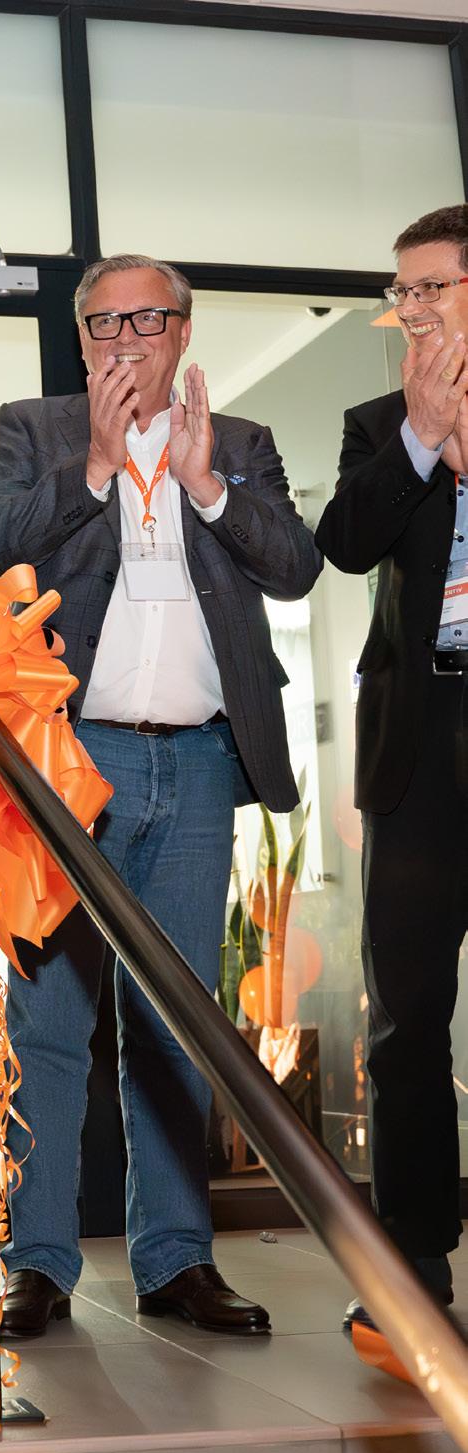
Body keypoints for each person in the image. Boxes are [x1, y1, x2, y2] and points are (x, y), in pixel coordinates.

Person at [0, 253, 322, 1338]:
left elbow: (296, 566)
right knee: (50, 1020)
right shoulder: (33, 427)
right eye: (105, 322)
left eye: (147, 319)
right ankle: (37, 1261)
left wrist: (207, 485)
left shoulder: (242, 441)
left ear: (182, 330)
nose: (125, 338)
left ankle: (174, 1260)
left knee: (180, 1023)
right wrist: (93, 464)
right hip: (72, 758)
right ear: (81, 338)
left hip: (202, 761)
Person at [319, 204, 468, 1328]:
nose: (408, 308)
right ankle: (413, 1264)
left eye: (430, 287)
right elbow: (344, 541)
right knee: (406, 1014)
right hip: (418, 741)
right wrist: (421, 437)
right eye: (400, 291)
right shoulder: (377, 423)